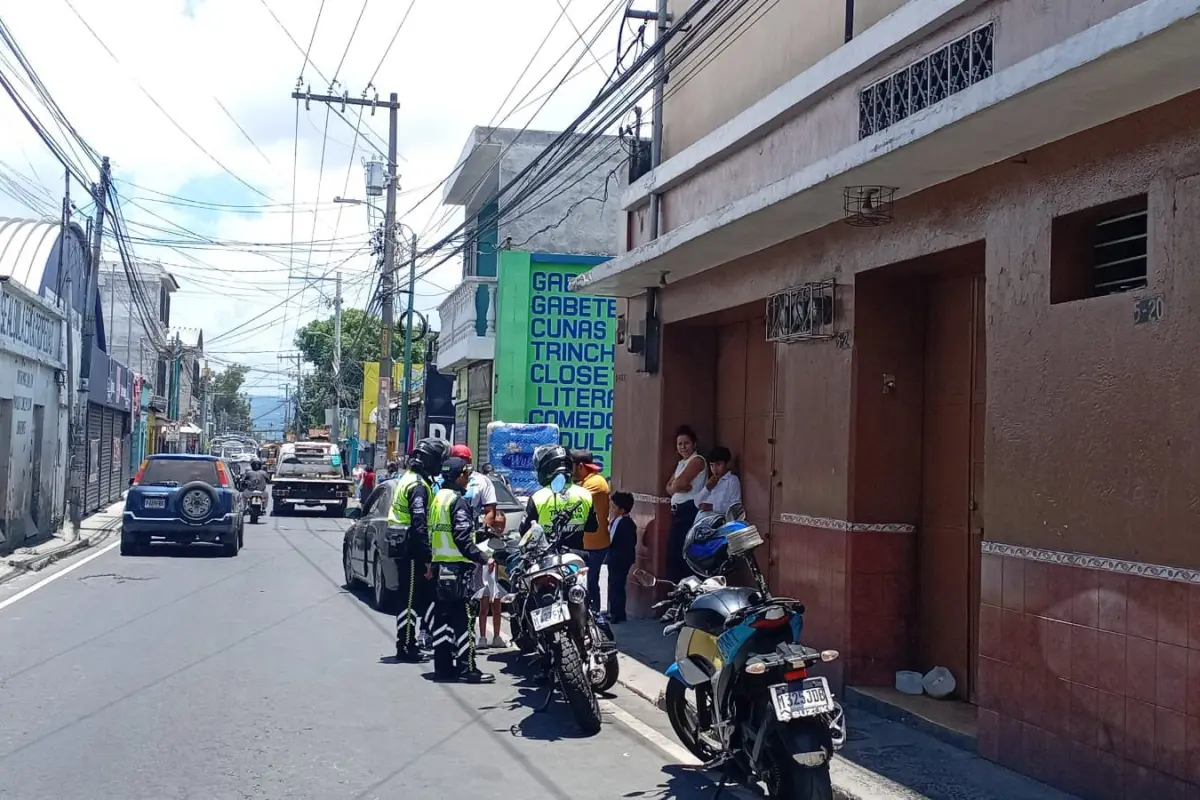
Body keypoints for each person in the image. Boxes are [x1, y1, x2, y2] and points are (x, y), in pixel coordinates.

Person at [427, 457, 496, 683]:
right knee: (464, 619)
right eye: (466, 474)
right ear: (459, 476)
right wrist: (484, 558)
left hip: (439, 568)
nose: (468, 478)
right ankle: (468, 669)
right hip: (457, 569)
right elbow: (463, 539)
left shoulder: (437, 499)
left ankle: (443, 668)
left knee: (442, 619)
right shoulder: (458, 502)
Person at [388, 438, 448, 663]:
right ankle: (405, 646)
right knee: (410, 601)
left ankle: (407, 643)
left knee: (409, 599)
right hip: (412, 550)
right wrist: (427, 557)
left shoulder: (408, 479)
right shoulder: (419, 486)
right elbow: (419, 523)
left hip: (404, 548)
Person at [450, 445, 506, 649]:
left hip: (475, 544)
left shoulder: (482, 482)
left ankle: (477, 637)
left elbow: (491, 510)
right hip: (449, 545)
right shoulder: (442, 482)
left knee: (481, 593)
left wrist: (483, 528)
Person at [520, 445, 599, 551]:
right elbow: (592, 527)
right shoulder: (585, 495)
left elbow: (524, 531)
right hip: (575, 558)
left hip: (547, 559)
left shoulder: (538, 498)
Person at [665, 425, 708, 582]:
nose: (683, 447)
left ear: (694, 444)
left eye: (686, 443)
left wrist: (677, 486)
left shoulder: (697, 460)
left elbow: (676, 485)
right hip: (677, 512)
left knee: (682, 554)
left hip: (689, 511)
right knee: (673, 554)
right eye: (680, 444)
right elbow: (669, 488)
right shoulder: (681, 463)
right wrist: (677, 486)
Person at [570, 449, 611, 611]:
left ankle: (595, 616)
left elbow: (573, 499)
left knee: (590, 583)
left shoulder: (596, 482)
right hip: (585, 543)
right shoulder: (587, 481)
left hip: (594, 545)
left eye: (570, 466)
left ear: (580, 466)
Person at [606, 492, 638, 623]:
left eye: (613, 507)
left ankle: (615, 614)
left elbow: (610, 539)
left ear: (622, 510)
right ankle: (619, 613)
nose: (611, 510)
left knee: (615, 585)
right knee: (618, 585)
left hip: (618, 558)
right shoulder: (627, 522)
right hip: (624, 558)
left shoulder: (621, 522)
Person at [697, 446, 742, 516]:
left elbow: (735, 506)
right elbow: (697, 502)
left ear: (727, 463)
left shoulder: (732, 480)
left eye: (718, 464)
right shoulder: (711, 482)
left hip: (719, 520)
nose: (714, 469)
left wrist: (713, 507)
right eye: (711, 465)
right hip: (702, 519)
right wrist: (707, 488)